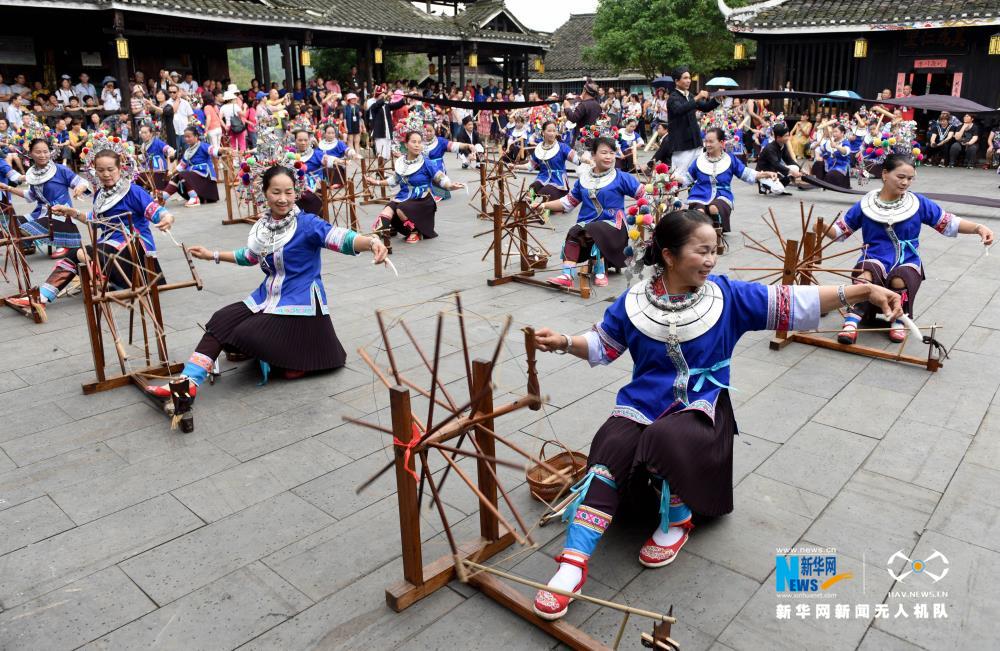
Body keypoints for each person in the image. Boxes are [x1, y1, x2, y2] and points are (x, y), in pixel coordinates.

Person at [529, 209, 904, 621]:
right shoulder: (634, 300)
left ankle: (679, 518)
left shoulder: (727, 296)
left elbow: (794, 301)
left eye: (714, 251)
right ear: (669, 256)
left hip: (702, 407)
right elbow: (602, 345)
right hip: (642, 401)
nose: (711, 260)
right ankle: (571, 566)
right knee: (609, 444)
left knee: (664, 439)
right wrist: (563, 341)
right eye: (701, 251)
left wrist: (862, 293)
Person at [145, 165, 387, 398]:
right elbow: (250, 256)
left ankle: (295, 357)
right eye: (276, 192)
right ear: (264, 194)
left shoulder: (308, 224)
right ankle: (187, 383)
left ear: (296, 192)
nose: (283, 198)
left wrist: (371, 242)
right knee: (222, 320)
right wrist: (213, 255)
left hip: (301, 304)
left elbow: (340, 238)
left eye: (289, 192)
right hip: (267, 297)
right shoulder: (263, 227)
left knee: (245, 334)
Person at [825, 154, 993, 344]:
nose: (905, 182)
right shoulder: (866, 204)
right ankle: (852, 320)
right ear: (885, 174)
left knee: (900, 277)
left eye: (910, 178)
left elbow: (948, 222)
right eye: (901, 177)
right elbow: (840, 231)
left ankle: (899, 319)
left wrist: (979, 228)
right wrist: (823, 227)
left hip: (907, 259)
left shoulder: (918, 203)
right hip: (874, 257)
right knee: (866, 274)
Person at [533, 136, 644, 288]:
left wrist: (638, 214)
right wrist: (543, 206)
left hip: (615, 227)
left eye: (612, 153)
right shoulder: (583, 180)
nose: (609, 157)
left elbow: (643, 196)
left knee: (593, 228)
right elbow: (567, 203)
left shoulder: (621, 177)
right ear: (593, 155)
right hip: (587, 228)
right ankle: (567, 274)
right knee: (575, 231)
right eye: (604, 152)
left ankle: (600, 270)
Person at [366, 130, 465, 243]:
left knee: (400, 209)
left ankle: (414, 231)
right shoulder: (401, 162)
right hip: (404, 196)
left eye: (419, 142)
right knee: (388, 209)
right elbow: (394, 179)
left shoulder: (426, 163)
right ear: (406, 144)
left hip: (423, 199)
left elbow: (440, 177)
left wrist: (450, 186)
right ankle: (376, 235)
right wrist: (376, 182)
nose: (417, 145)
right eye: (414, 142)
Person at [679, 127, 777, 234]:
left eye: (711, 141)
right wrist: (672, 179)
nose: (707, 144)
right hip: (699, 194)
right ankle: (699, 232)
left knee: (713, 208)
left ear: (721, 143)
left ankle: (718, 231)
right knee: (699, 211)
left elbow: (746, 173)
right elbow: (687, 179)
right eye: (706, 141)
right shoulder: (699, 160)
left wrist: (765, 174)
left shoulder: (730, 159)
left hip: (722, 195)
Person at [292, 127, 358, 215]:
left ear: (309, 141)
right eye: (300, 140)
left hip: (315, 192)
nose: (303, 143)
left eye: (305, 140)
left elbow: (329, 159)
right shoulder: (290, 156)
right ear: (295, 141)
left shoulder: (316, 153)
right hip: (297, 193)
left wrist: (342, 161)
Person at [667, 66, 719, 174]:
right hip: (681, 143)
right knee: (679, 176)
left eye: (689, 78)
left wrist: (718, 98)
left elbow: (705, 107)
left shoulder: (689, 96)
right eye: (685, 78)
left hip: (695, 141)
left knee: (697, 173)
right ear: (677, 81)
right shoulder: (673, 97)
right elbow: (680, 110)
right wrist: (697, 97)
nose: (688, 81)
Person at [517, 120, 584, 201]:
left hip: (558, 183)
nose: (552, 133)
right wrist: (514, 166)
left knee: (544, 195)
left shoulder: (562, 147)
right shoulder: (539, 149)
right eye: (549, 131)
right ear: (543, 132)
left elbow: (578, 160)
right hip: (542, 178)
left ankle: (548, 206)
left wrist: (589, 160)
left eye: (554, 131)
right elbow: (530, 166)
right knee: (531, 190)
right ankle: (534, 206)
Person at [162, 126, 221, 206]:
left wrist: (222, 150)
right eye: (185, 137)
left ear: (196, 136)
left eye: (189, 137)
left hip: (206, 178)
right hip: (195, 177)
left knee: (183, 174)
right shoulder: (187, 151)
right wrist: (171, 173)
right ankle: (162, 198)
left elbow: (213, 150)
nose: (186, 139)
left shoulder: (203, 146)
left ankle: (194, 198)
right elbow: (181, 166)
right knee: (176, 176)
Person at [755, 123, 808, 194]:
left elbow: (789, 160)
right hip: (764, 173)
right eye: (786, 136)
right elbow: (776, 164)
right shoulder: (770, 148)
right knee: (779, 189)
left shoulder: (783, 145)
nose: (788, 138)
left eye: (788, 135)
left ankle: (776, 185)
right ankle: (763, 184)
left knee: (795, 168)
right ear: (778, 137)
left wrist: (801, 169)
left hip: (774, 172)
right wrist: (792, 172)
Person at [137, 123, 175, 192]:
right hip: (147, 165)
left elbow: (167, 148)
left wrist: (170, 151)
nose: (143, 135)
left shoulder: (157, 142)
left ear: (151, 134)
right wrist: (136, 157)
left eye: (145, 132)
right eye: (142, 133)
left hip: (157, 165)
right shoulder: (144, 144)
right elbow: (145, 156)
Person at [816, 121, 852, 189]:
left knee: (832, 175)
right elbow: (819, 149)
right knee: (818, 163)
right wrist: (818, 156)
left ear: (842, 133)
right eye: (833, 132)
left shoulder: (845, 142)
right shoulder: (829, 141)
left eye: (836, 132)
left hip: (841, 167)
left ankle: (823, 183)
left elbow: (846, 151)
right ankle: (819, 182)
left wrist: (836, 146)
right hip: (829, 165)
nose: (834, 134)